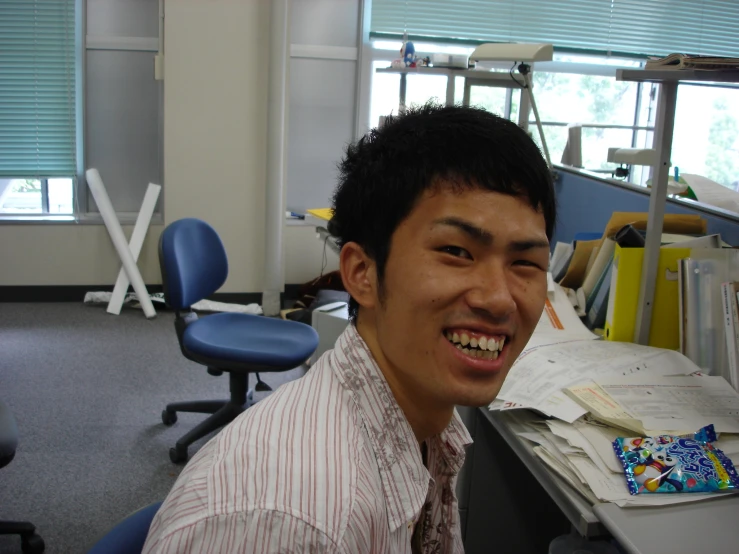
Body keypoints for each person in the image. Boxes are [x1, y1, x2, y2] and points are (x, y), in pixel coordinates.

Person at [142, 103, 556, 553]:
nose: (498, 298)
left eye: (524, 262)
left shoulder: (425, 421)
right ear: (361, 273)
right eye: (456, 252)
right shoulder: (294, 526)